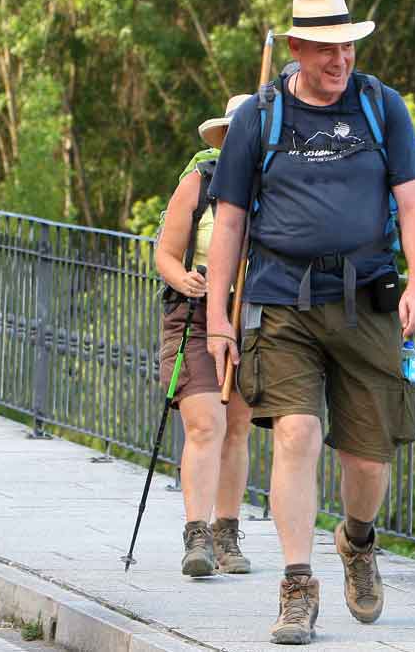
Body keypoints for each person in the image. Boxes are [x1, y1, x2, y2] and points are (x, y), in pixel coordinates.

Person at [205, 0, 415, 646]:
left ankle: (357, 541)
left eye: (348, 45)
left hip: (368, 299)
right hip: (281, 300)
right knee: (296, 433)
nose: (340, 58)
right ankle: (297, 586)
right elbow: (229, 221)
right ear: (298, 49)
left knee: (369, 457)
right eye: (327, 47)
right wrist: (221, 314)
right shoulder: (260, 116)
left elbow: (414, 206)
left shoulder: (380, 106)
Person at [155, 93, 255, 577]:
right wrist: (183, 279)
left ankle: (227, 533)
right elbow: (166, 254)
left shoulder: (275, 190)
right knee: (205, 424)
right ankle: (196, 534)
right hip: (194, 317)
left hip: (252, 317)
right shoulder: (200, 183)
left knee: (237, 427)